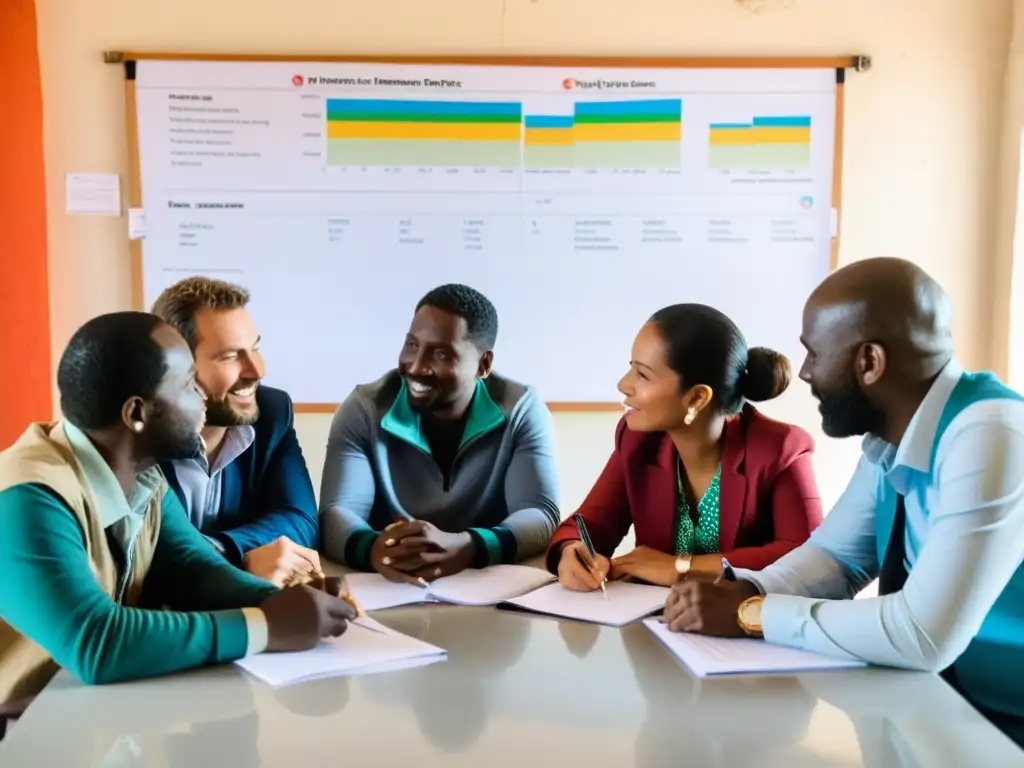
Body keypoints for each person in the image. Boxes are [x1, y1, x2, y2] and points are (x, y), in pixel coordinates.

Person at [664, 258, 1024, 748]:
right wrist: (740, 589)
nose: (806, 373)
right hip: (938, 706)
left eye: (814, 353)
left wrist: (753, 613)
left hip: (1003, 722)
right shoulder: (890, 442)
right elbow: (835, 558)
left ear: (869, 362)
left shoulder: (990, 435)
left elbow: (923, 634)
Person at [0, 312, 355, 725]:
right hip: (19, 734)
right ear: (137, 414)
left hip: (83, 719)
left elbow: (190, 568)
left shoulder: (141, 472)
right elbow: (96, 642)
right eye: (188, 384)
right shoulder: (27, 498)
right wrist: (266, 626)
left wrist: (284, 602)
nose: (203, 396)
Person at [547, 303, 823, 590]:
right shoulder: (637, 441)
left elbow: (807, 558)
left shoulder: (781, 449)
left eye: (643, 375)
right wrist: (571, 550)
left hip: (745, 625)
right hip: (652, 622)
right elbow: (587, 524)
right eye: (631, 369)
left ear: (696, 398)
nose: (623, 384)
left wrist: (680, 568)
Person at [319, 284, 560, 582]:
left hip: (488, 592)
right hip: (391, 590)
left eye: (442, 355)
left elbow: (540, 514)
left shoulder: (522, 410)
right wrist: (374, 548)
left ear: (483, 364)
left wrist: (469, 545)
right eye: (411, 345)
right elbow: (335, 513)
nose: (417, 366)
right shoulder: (364, 409)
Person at [152, 277, 320, 587]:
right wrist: (242, 558)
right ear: (174, 366)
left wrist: (228, 549)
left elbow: (300, 518)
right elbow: (146, 552)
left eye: (254, 348)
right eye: (229, 356)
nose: (257, 370)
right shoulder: (139, 429)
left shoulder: (272, 412)